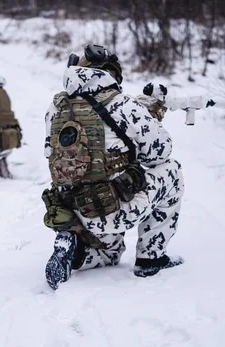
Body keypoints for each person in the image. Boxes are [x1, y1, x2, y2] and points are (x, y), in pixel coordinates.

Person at [42, 44, 184, 290]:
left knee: (111, 253)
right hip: (111, 207)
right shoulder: (125, 105)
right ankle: (151, 258)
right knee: (172, 170)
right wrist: (149, 118)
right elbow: (159, 152)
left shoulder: (57, 107)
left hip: (74, 210)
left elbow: (49, 152)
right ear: (111, 73)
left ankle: (75, 249)